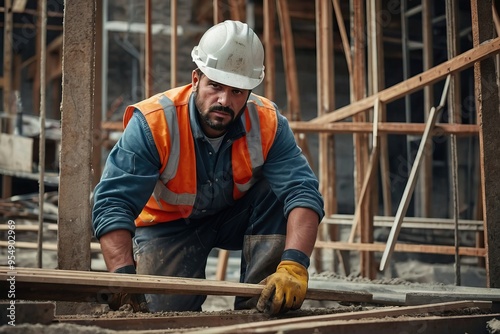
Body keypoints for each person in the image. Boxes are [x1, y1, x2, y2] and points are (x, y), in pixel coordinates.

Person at [92, 20, 324, 315]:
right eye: (215, 86)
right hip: (168, 228)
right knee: (164, 315)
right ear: (196, 79)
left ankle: (261, 309)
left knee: (279, 195)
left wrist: (294, 265)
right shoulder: (154, 123)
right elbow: (113, 202)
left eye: (238, 91)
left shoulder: (268, 123)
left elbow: (303, 193)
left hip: (235, 217)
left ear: (250, 92)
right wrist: (122, 279)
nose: (225, 100)